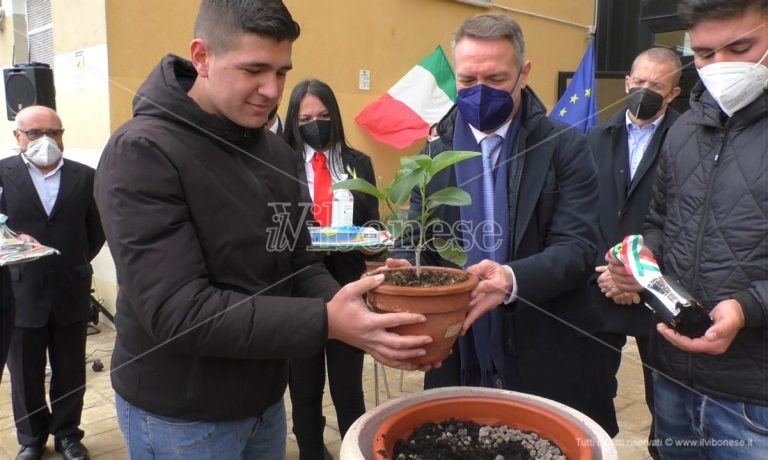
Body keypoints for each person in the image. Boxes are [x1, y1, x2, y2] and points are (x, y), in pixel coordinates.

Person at [94, 1, 433, 459]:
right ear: (201, 57)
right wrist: (329, 321)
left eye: (281, 72)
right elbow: (178, 310)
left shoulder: (274, 152)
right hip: (183, 415)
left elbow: (299, 260)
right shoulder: (142, 150)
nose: (271, 90)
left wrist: (353, 301)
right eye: (254, 69)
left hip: (265, 401)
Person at [391, 14, 618, 436]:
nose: (480, 92)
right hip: (458, 351)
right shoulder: (433, 156)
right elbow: (415, 238)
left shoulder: (564, 147)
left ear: (523, 73)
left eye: (496, 78)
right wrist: (403, 267)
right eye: (468, 79)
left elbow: (578, 248)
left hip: (545, 351)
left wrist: (510, 280)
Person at [607, 0, 768, 456]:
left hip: (755, 397)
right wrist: (637, 262)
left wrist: (749, 307)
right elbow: (660, 220)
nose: (721, 65)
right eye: (703, 53)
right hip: (672, 374)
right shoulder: (685, 130)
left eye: (740, 46)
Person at [587, 47, 681, 456]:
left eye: (656, 86)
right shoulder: (593, 139)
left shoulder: (687, 140)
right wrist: (610, 272)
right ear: (627, 82)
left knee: (665, 400)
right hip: (601, 282)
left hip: (659, 290)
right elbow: (583, 210)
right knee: (590, 388)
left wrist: (639, 276)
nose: (644, 91)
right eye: (639, 82)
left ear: (673, 93)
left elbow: (685, 218)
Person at [0, 105, 105, 460]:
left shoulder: (85, 176)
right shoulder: (2, 174)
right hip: (19, 291)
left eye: (54, 132)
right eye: (35, 133)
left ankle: (67, 434)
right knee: (26, 373)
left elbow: (96, 231)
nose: (46, 140)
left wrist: (72, 262)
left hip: (70, 287)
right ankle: (31, 438)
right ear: (18, 137)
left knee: (70, 368)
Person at [283, 79, 379, 460]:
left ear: (334, 116)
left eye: (323, 116)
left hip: (347, 286)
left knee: (347, 388)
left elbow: (373, 225)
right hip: (299, 294)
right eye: (306, 118)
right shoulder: (281, 162)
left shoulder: (358, 163)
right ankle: (310, 451)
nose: (315, 124)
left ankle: (352, 451)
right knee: (304, 387)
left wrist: (370, 238)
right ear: (294, 120)